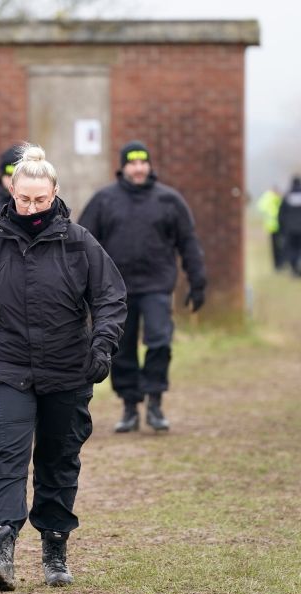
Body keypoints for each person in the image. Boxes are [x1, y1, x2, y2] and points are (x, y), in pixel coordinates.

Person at [0, 143, 126, 591]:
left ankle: (55, 543)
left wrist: (102, 348)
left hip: (68, 368)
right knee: (6, 453)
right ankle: (0, 546)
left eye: (40, 199)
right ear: (12, 192)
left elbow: (110, 298)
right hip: (7, 367)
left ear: (55, 192)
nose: (32, 207)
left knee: (59, 458)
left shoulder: (79, 243)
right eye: (24, 199)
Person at [78, 141, 206, 434]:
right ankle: (130, 406)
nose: (138, 168)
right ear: (122, 166)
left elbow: (188, 242)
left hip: (157, 286)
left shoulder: (169, 201)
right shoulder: (103, 200)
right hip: (115, 290)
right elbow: (82, 245)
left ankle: (155, 401)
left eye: (142, 162)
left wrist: (198, 281)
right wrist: (78, 286)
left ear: (149, 165)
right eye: (132, 163)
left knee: (160, 341)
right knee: (120, 347)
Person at [278, 175, 301, 278]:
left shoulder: (287, 196)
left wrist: (282, 228)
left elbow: (281, 213)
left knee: (291, 248)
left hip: (289, 228)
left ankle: (294, 268)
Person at [256, 185, 284, 271]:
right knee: (276, 247)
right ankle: (278, 265)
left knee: (280, 247)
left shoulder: (278, 199)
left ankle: (280, 264)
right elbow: (261, 207)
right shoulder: (271, 198)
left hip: (279, 227)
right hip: (274, 227)